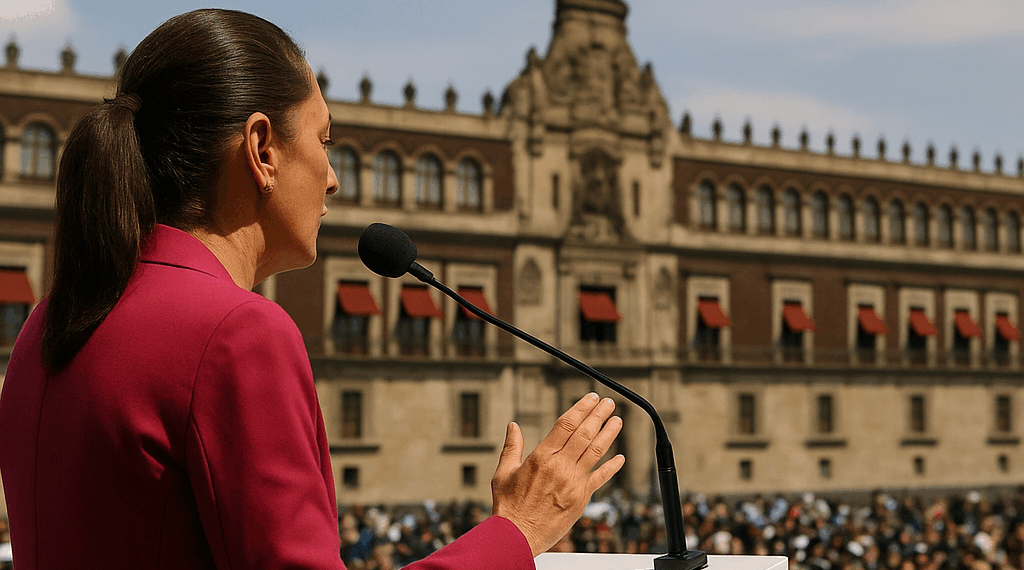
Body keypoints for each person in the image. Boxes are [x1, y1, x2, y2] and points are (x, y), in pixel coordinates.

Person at [0, 9, 625, 569]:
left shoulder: (48, 322)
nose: (332, 179)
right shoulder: (236, 335)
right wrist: (517, 533)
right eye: (325, 142)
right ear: (261, 149)